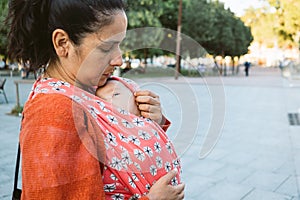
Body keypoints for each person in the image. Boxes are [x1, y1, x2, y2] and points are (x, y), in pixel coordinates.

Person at [7, 0, 184, 200]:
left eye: (119, 45)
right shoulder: (55, 114)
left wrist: (150, 119)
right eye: (106, 48)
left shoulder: (88, 88)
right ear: (63, 43)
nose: (119, 60)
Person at [95, 76, 182, 199]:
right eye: (100, 101)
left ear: (139, 100)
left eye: (116, 95)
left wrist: (157, 123)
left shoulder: (146, 122)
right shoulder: (101, 134)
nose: (108, 103)